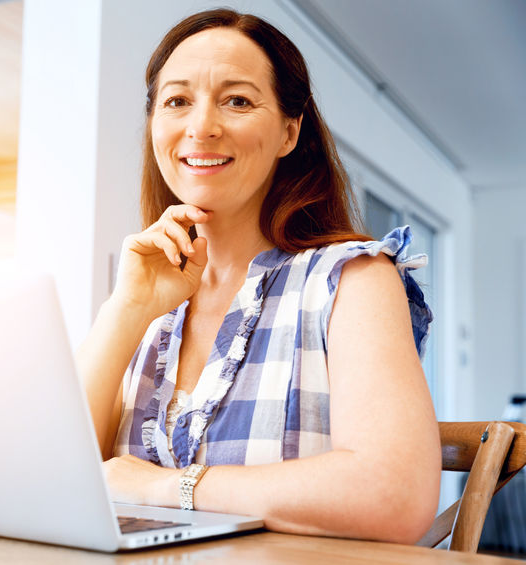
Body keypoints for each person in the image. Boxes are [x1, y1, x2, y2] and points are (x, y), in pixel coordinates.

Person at [75, 9, 440, 544]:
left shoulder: (353, 280)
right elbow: (48, 476)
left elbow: (393, 496)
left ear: (290, 131)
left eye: (238, 100)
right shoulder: (149, 305)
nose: (201, 126)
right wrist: (124, 310)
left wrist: (166, 487)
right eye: (177, 100)